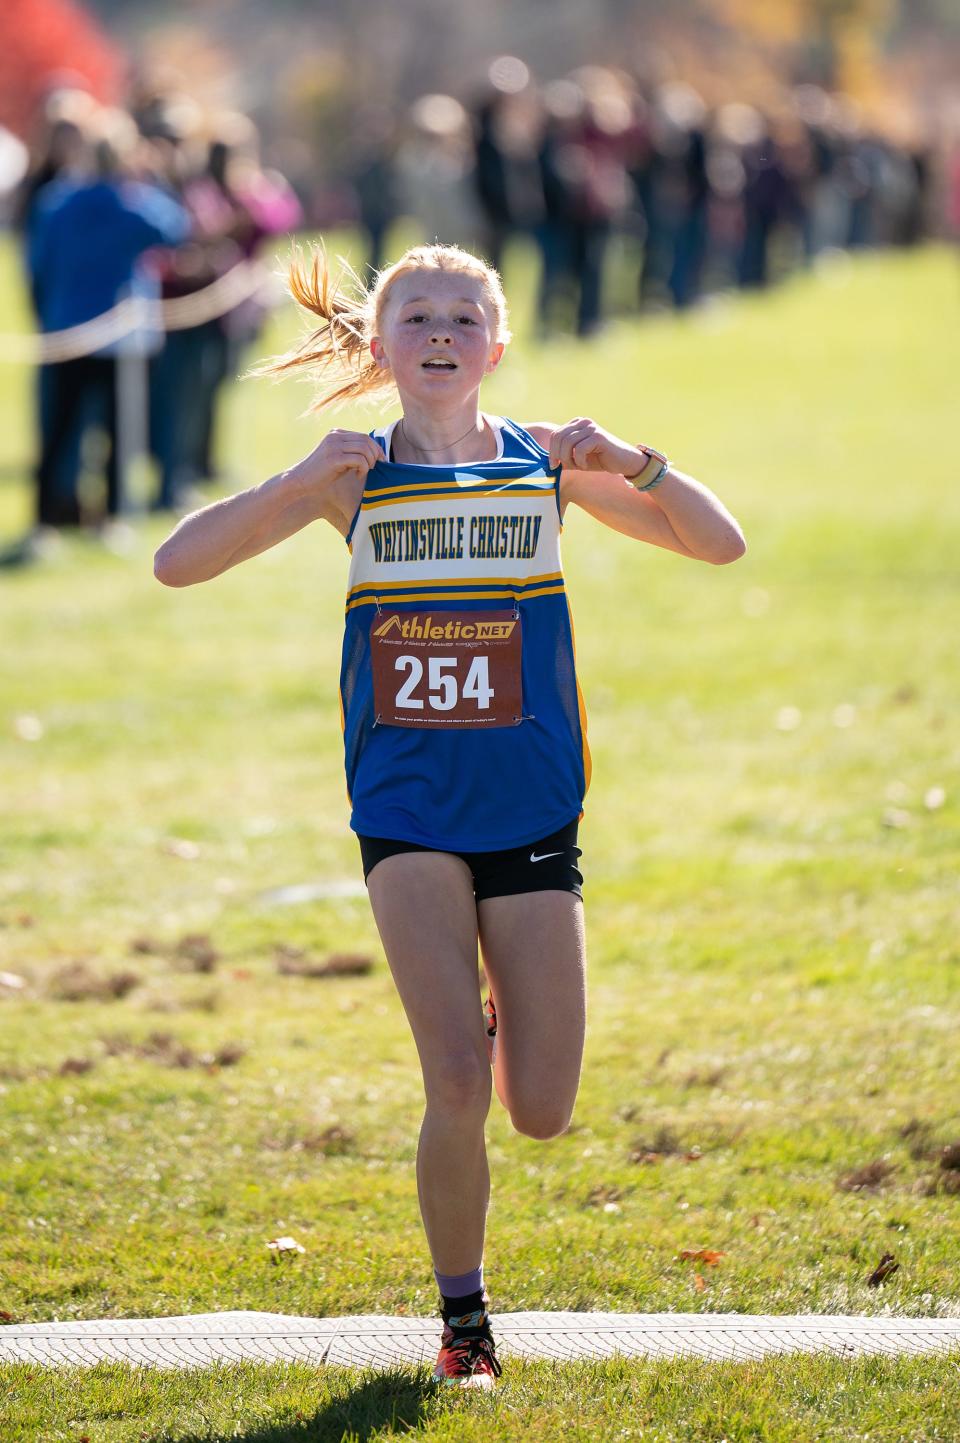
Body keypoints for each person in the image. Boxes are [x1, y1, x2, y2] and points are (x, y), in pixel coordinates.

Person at [153, 242, 746, 1386]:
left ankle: (492, 1020)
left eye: (462, 316)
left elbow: (719, 543)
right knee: (456, 1088)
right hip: (407, 809)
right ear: (380, 346)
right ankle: (464, 1320)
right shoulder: (354, 475)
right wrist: (289, 486)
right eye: (414, 314)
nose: (437, 330)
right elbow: (180, 565)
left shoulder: (546, 465)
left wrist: (635, 459)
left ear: (496, 344)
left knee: (542, 1112)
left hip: (530, 807)